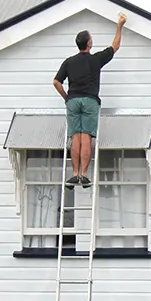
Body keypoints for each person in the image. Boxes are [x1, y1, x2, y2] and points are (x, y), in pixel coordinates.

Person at [52, 13, 127, 188]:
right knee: (86, 136)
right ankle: (84, 174)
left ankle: (75, 173)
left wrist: (67, 98)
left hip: (73, 100)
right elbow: (115, 46)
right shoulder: (95, 60)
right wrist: (120, 25)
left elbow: (56, 82)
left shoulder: (69, 62)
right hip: (90, 101)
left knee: (75, 136)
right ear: (89, 44)